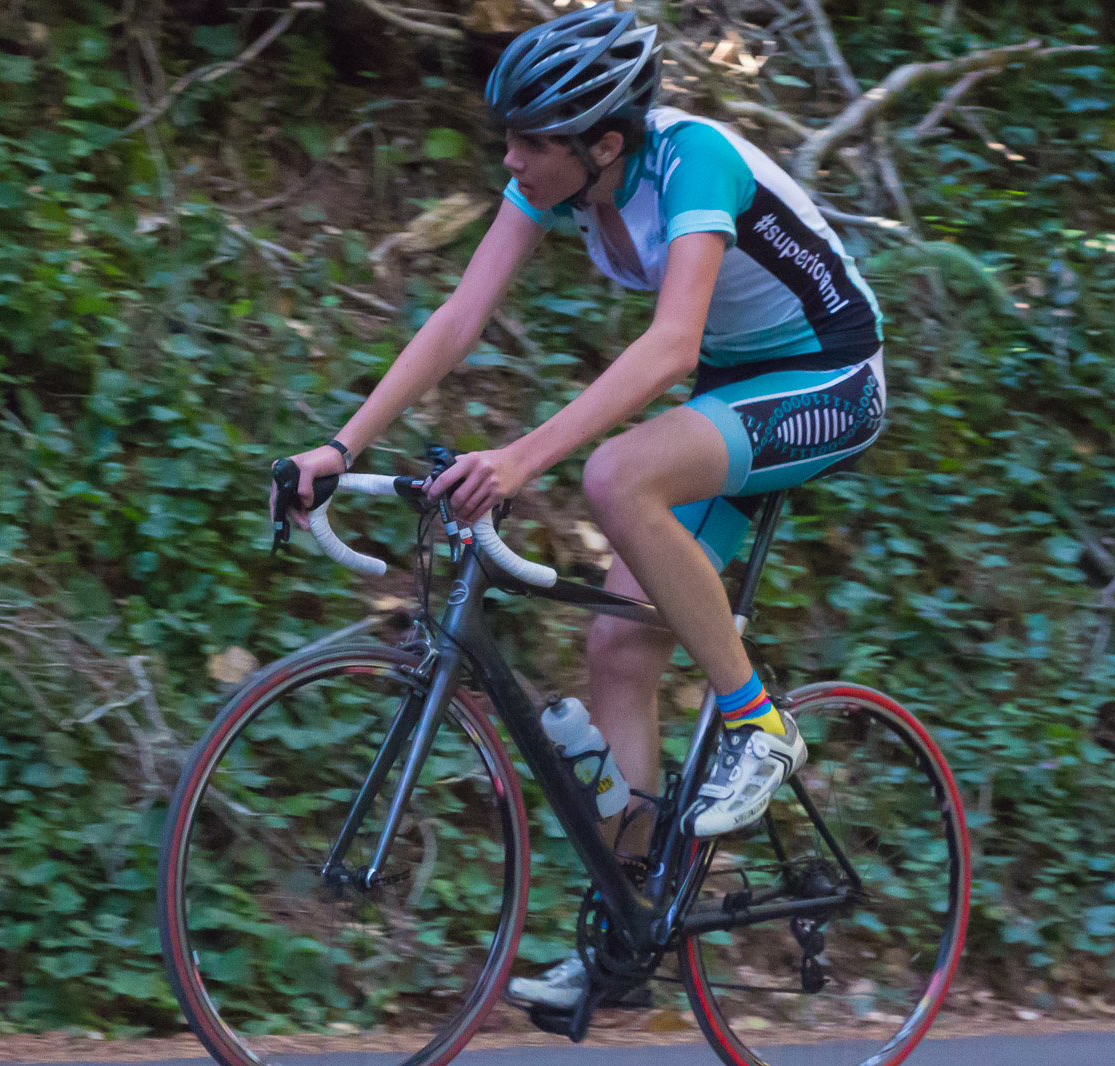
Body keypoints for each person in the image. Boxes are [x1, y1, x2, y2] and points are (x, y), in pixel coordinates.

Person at [270, 1, 886, 1010]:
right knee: (616, 651)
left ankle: (760, 724)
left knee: (615, 475)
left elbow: (670, 347)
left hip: (831, 377)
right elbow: (460, 316)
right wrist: (341, 447)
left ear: (603, 141)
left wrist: (519, 458)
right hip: (737, 388)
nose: (510, 158)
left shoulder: (692, 163)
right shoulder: (561, 182)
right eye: (508, 137)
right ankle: (627, 941)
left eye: (530, 141)